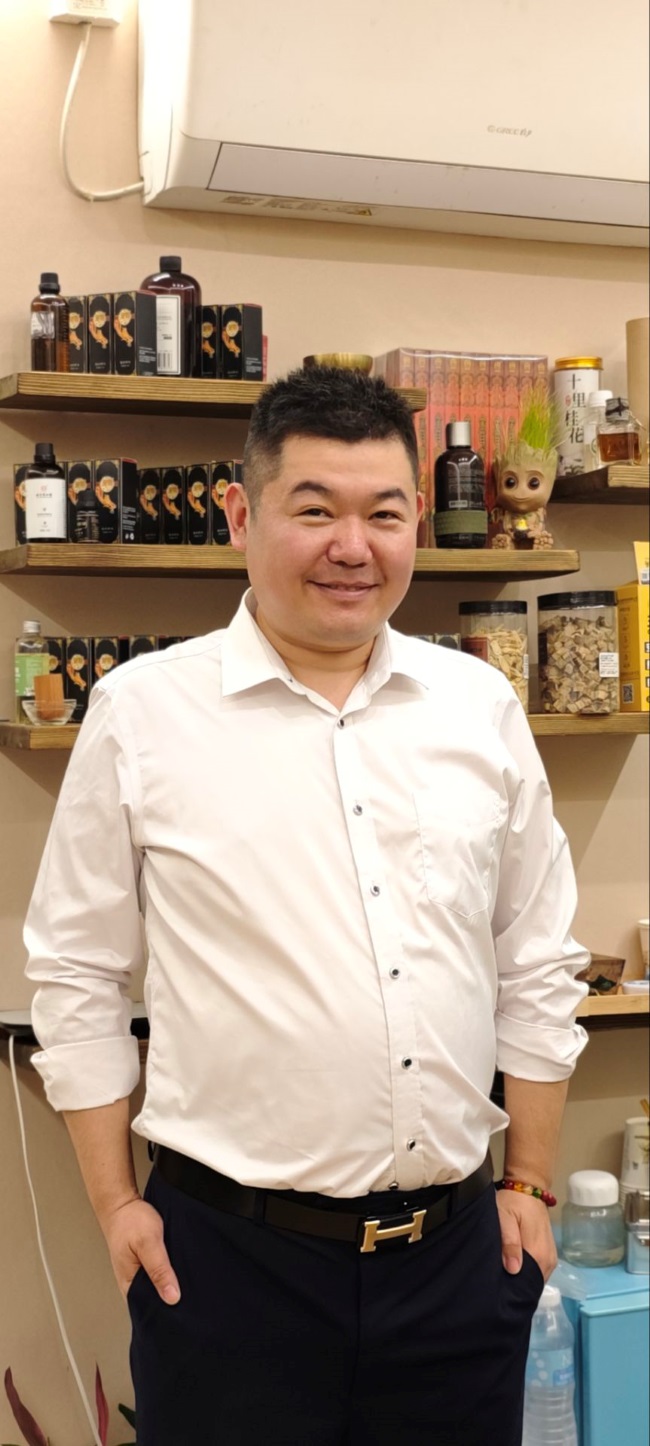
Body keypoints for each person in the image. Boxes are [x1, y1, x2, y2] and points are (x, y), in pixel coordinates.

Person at [24, 366, 589, 1446]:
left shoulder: (476, 705)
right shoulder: (143, 713)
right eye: (316, 510)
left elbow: (535, 957)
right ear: (241, 515)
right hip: (229, 1270)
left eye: (385, 514)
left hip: (458, 1260)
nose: (353, 547)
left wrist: (529, 1181)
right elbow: (76, 971)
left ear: (417, 522)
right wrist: (114, 1204)